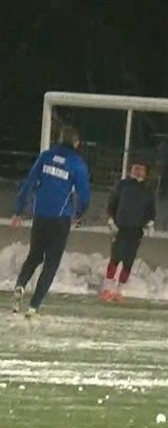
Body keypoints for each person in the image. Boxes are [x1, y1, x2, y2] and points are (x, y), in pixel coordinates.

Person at [11, 126, 90, 318]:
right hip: (60, 218)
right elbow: (84, 195)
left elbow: (29, 182)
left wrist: (18, 211)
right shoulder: (77, 164)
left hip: (41, 215)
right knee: (51, 263)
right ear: (76, 143)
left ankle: (20, 285)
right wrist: (79, 214)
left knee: (34, 255)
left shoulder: (45, 156)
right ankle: (33, 306)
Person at [100, 159, 156, 302]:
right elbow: (112, 202)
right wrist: (111, 219)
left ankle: (118, 290)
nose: (138, 171)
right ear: (131, 170)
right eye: (136, 168)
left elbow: (151, 209)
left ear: (145, 172)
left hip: (136, 230)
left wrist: (150, 223)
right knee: (115, 257)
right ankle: (107, 288)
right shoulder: (122, 185)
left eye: (141, 169)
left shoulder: (148, 190)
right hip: (121, 227)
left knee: (128, 261)